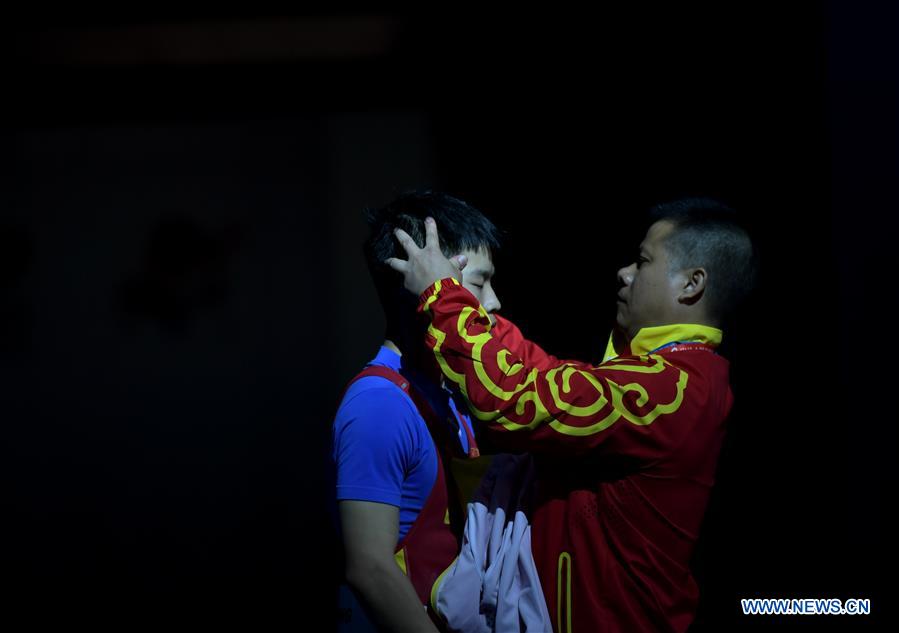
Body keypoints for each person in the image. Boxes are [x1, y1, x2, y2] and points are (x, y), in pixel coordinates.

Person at [386, 197, 758, 632]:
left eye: (642, 261)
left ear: (691, 284)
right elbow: (543, 376)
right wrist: (460, 305)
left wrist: (444, 296)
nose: (625, 272)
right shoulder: (664, 375)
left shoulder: (675, 390)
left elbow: (518, 394)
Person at [333, 190, 554, 633]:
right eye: (477, 283)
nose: (492, 302)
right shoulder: (377, 404)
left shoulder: (448, 387)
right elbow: (370, 570)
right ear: (418, 283)